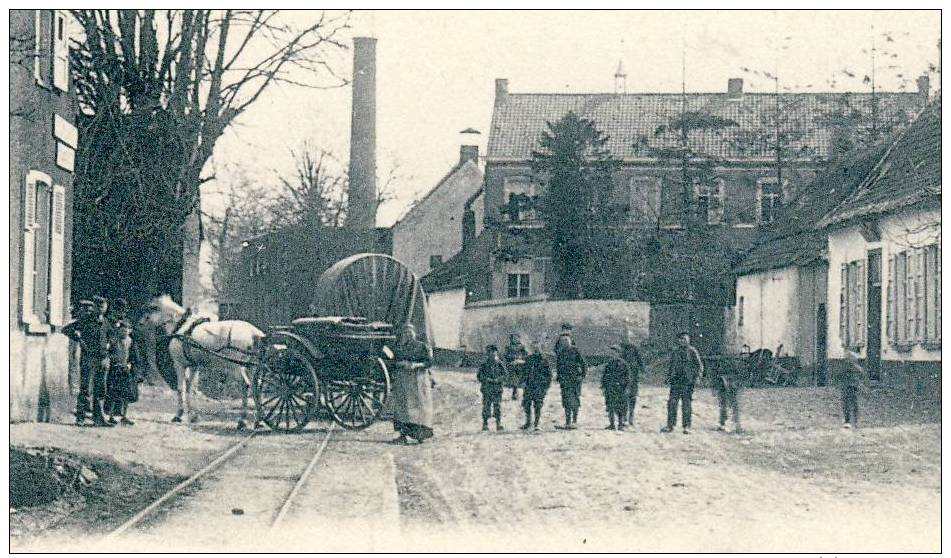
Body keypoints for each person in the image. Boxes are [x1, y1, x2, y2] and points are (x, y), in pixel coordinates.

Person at [62, 297, 113, 427]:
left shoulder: (106, 322)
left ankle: (99, 418)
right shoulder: (85, 320)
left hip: (103, 359)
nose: (101, 309)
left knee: (100, 390)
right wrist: (77, 338)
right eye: (99, 306)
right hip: (89, 358)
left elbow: (112, 336)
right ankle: (81, 417)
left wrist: (109, 345)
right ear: (94, 307)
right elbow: (66, 329)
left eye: (104, 306)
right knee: (85, 389)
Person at [391, 323, 435, 444]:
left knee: (419, 405)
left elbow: (429, 362)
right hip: (403, 379)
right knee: (403, 406)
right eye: (405, 333)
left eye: (410, 332)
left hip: (418, 379)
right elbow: (394, 362)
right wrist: (401, 364)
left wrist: (416, 365)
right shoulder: (399, 348)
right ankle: (403, 435)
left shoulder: (421, 347)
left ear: (414, 333)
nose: (408, 335)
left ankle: (420, 434)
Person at [661, 332, 704, 435]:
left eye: (685, 339)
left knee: (686, 404)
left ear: (688, 340)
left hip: (687, 381)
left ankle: (687, 426)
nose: (683, 341)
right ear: (678, 341)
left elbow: (699, 365)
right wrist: (668, 377)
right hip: (676, 380)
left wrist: (698, 377)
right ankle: (670, 425)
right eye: (681, 339)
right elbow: (671, 366)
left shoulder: (692, 351)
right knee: (672, 403)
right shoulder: (675, 352)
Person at [106, 317, 138, 425]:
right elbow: (107, 353)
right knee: (113, 393)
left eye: (126, 330)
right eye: (122, 330)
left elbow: (133, 356)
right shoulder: (113, 340)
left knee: (126, 394)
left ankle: (124, 416)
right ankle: (110, 416)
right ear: (118, 330)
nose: (124, 332)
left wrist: (131, 365)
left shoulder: (130, 341)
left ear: (130, 330)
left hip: (125, 369)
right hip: (114, 369)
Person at [555, 338, 587, 430]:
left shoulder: (575, 351)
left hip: (575, 380)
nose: (564, 344)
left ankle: (574, 421)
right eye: (562, 342)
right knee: (566, 401)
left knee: (575, 400)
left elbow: (584, 364)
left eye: (565, 342)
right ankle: (567, 421)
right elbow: (559, 366)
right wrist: (559, 377)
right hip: (564, 381)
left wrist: (582, 376)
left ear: (569, 343)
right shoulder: (561, 353)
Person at [521, 341, 552, 431]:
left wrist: (546, 386)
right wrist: (523, 381)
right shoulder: (529, 359)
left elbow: (549, 375)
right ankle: (528, 422)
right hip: (529, 385)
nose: (535, 350)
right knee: (526, 404)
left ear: (540, 349)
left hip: (539, 386)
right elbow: (524, 372)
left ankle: (537, 423)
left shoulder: (544, 360)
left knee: (538, 405)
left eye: (537, 348)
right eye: (534, 348)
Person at [601, 346, 632, 431]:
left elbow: (628, 377)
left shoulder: (624, 364)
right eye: (611, 353)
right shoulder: (608, 365)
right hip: (610, 389)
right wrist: (603, 387)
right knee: (610, 407)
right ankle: (611, 424)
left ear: (619, 354)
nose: (613, 355)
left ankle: (620, 424)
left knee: (620, 407)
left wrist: (626, 387)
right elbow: (604, 377)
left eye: (614, 353)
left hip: (620, 389)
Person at [477, 345, 507, 431]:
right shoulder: (484, 364)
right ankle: (485, 424)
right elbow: (479, 376)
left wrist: (498, 379)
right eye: (490, 353)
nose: (492, 354)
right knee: (486, 406)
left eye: (494, 352)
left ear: (496, 353)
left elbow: (505, 375)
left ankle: (498, 423)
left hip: (497, 389)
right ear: (487, 354)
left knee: (497, 406)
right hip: (487, 389)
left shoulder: (500, 364)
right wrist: (487, 379)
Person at [620, 329, 645, 426]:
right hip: (622, 377)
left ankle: (631, 416)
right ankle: (623, 417)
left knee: (633, 397)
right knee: (623, 397)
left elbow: (640, 361)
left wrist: (643, 370)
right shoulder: (619, 348)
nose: (626, 339)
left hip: (633, 376)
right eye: (624, 337)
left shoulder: (635, 348)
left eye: (628, 337)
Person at [713, 358, 742, 433]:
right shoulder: (733, 361)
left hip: (729, 380)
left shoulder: (731, 362)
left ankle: (734, 423)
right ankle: (725, 422)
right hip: (724, 380)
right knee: (725, 403)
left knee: (730, 403)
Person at [841, 350, 867, 429]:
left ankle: (850, 421)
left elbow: (862, 376)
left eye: (848, 358)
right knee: (850, 404)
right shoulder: (853, 368)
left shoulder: (854, 368)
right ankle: (851, 421)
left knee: (849, 404)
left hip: (850, 387)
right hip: (849, 387)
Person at [502, 333, 529, 400]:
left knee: (523, 377)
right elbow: (505, 356)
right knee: (514, 378)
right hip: (512, 365)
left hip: (521, 364)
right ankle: (515, 392)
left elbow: (526, 356)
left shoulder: (522, 347)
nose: (515, 339)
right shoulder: (508, 347)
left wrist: (520, 360)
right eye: (514, 338)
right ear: (511, 339)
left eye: (517, 338)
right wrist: (511, 361)